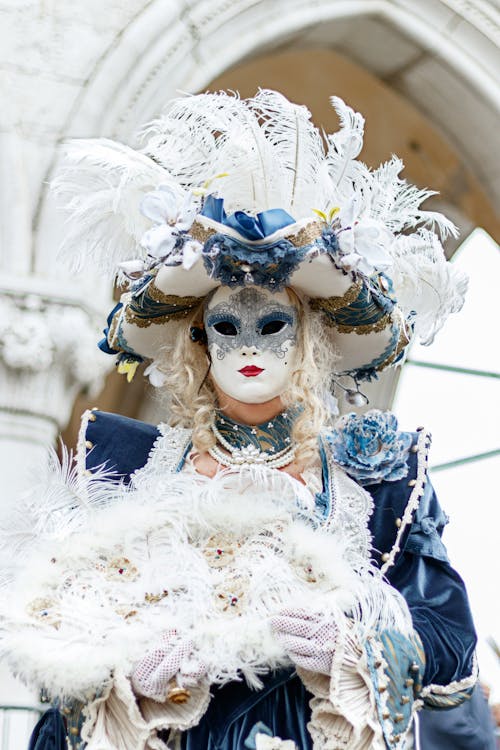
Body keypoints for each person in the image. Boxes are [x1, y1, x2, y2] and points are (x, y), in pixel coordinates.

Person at [1, 91, 476, 750]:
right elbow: (61, 696)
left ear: (308, 337)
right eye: (227, 327)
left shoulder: (377, 474)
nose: (248, 346)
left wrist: (360, 637)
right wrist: (123, 681)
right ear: (199, 341)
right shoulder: (129, 466)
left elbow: (451, 640)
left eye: (272, 324)